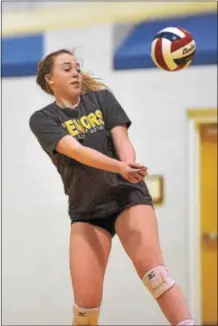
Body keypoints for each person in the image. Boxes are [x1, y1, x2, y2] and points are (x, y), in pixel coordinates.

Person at [29, 49, 195, 326]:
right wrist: (118, 167)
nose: (75, 73)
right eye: (67, 68)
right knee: (85, 310)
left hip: (128, 198)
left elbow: (123, 140)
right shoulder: (43, 118)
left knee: (156, 277)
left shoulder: (102, 99)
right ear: (50, 79)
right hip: (87, 210)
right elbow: (76, 151)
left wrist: (128, 166)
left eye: (77, 68)